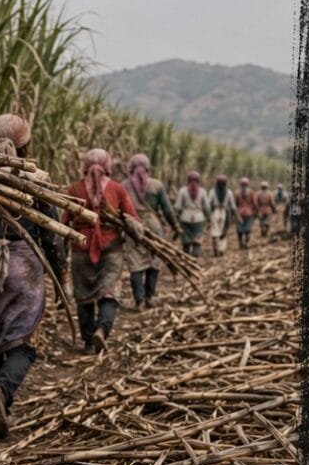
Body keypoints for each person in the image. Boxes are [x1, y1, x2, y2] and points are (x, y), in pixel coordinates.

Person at [0, 113, 64, 439]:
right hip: (23, 267)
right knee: (25, 341)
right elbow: (51, 234)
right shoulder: (37, 179)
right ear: (26, 144)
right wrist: (60, 276)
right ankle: (3, 391)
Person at [63, 148, 141, 354]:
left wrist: (61, 251)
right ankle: (102, 330)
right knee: (110, 292)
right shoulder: (117, 189)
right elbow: (132, 219)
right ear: (108, 165)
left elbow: (63, 223)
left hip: (80, 249)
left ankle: (88, 342)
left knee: (84, 295)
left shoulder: (74, 190)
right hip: (112, 249)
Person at [122, 153, 177, 309]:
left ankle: (139, 300)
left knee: (135, 264)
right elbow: (167, 209)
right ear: (148, 167)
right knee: (154, 263)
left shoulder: (124, 186)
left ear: (131, 168)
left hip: (133, 228)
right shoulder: (157, 185)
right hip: (154, 227)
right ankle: (149, 297)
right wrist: (175, 226)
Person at [173, 171, 211, 258]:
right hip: (199, 218)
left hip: (185, 218)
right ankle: (195, 258)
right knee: (197, 241)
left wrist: (177, 217)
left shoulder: (182, 191)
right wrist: (209, 218)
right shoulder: (203, 191)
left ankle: (187, 260)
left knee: (186, 242)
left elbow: (177, 207)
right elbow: (207, 208)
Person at [207, 174, 239, 257]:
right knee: (223, 231)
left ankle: (215, 249)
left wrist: (207, 215)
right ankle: (221, 249)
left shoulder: (212, 191)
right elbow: (233, 206)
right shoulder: (229, 192)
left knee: (215, 231)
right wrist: (236, 216)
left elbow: (208, 204)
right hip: (224, 212)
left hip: (215, 212)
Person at [232, 176, 258, 250]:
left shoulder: (236, 192)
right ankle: (246, 242)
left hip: (239, 213)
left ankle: (240, 243)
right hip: (249, 213)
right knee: (248, 228)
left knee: (239, 229)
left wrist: (234, 213)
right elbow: (254, 203)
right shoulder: (251, 192)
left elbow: (234, 204)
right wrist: (256, 211)